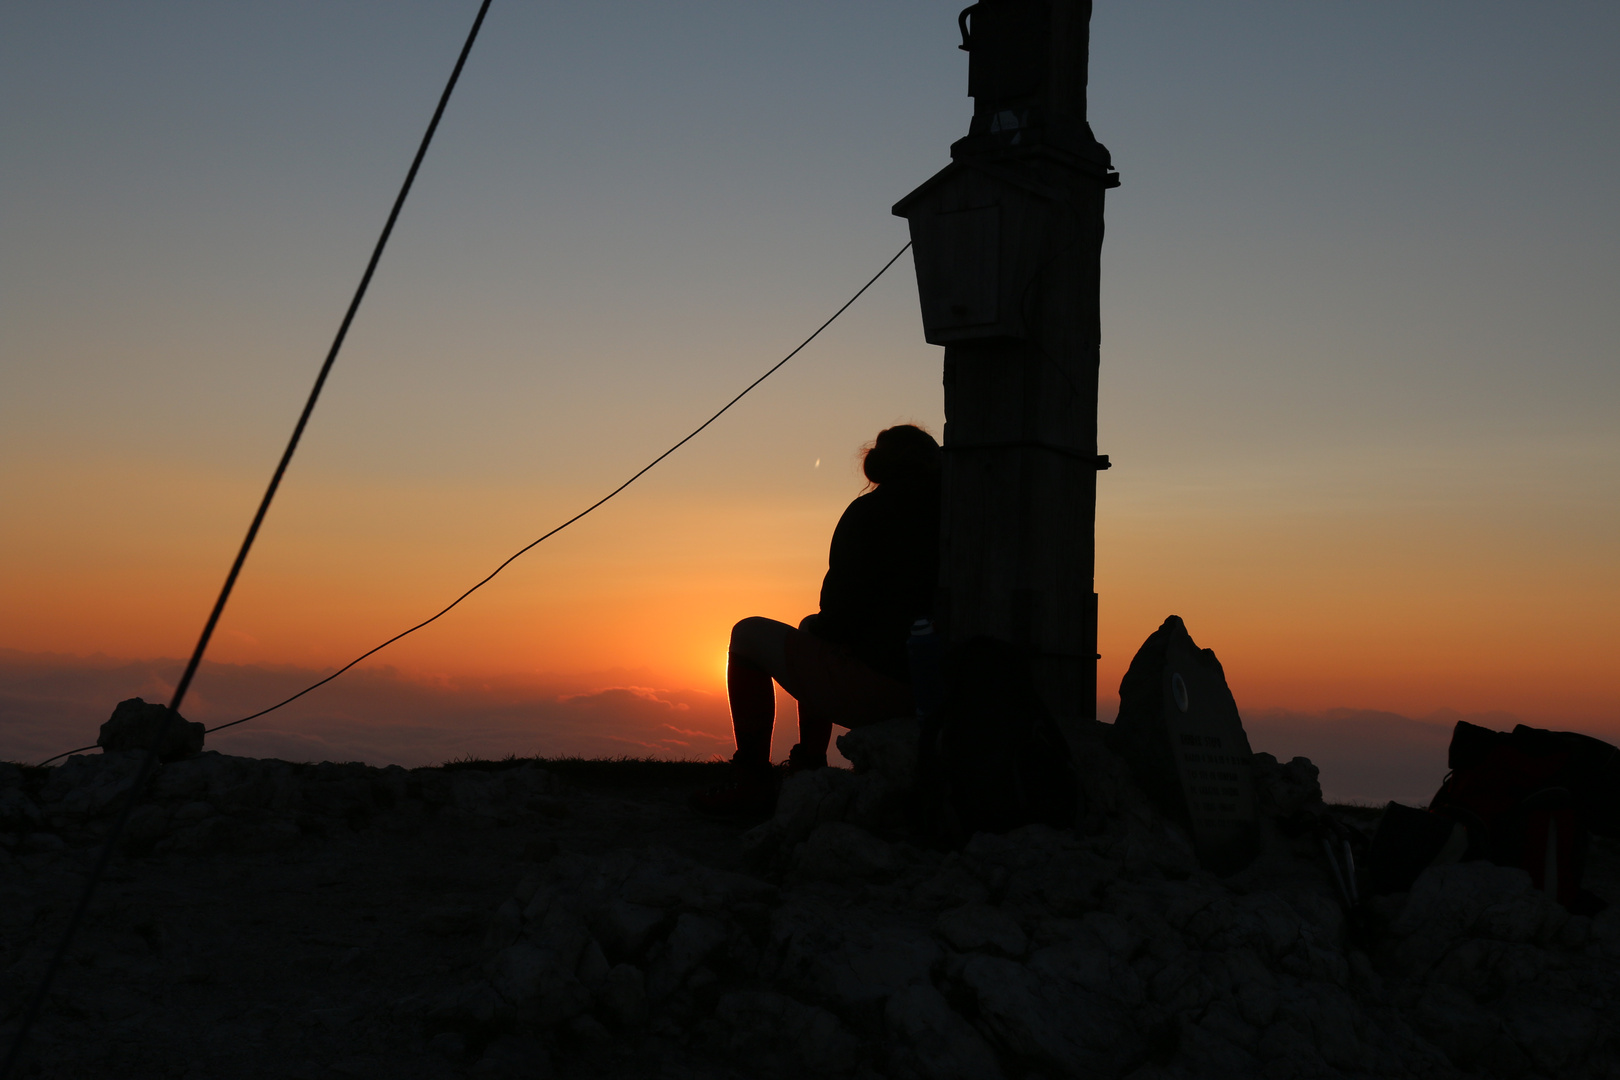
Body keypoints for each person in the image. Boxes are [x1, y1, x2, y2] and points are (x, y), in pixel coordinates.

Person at [690, 423, 942, 816]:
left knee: (747, 634)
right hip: (938, 686)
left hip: (883, 687)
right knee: (809, 627)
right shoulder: (955, 518)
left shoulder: (869, 513)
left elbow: (837, 617)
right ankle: (807, 764)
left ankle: (755, 779)